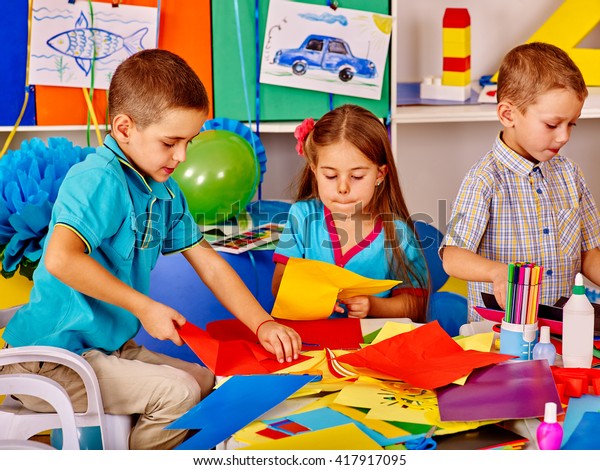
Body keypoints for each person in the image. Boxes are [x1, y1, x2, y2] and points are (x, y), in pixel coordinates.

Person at [0, 49, 301, 450]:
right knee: (177, 393)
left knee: (203, 381)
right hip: (51, 362)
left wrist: (262, 323)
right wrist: (145, 307)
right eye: (170, 142)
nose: (181, 156)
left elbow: (209, 263)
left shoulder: (163, 190)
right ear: (124, 128)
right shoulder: (96, 179)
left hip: (108, 349)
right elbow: (60, 258)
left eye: (189, 142)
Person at [441, 42, 600, 322]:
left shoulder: (570, 174)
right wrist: (497, 272)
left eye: (571, 124)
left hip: (559, 331)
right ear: (508, 114)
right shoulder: (485, 179)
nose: (564, 136)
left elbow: (588, 255)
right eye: (552, 125)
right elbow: (453, 257)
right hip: (500, 337)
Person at [272, 104, 429, 322]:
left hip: (370, 346)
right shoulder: (301, 217)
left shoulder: (398, 233)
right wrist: (313, 297)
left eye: (356, 177)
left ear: (380, 175)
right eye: (330, 176)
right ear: (314, 170)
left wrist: (373, 305)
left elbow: (416, 304)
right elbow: (279, 286)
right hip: (311, 342)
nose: (343, 188)